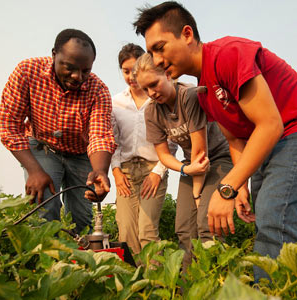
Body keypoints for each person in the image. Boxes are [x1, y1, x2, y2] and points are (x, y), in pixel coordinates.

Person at [133, 1, 297, 279]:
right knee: (272, 223)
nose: (157, 60)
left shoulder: (227, 55)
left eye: (160, 47)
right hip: (268, 145)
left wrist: (227, 187)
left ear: (186, 34)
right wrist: (241, 184)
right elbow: (235, 139)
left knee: (273, 223)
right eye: (151, 52)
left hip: (289, 134)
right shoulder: (205, 91)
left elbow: (270, 125)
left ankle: (270, 294)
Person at [0, 29, 116, 233]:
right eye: (69, 68)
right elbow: (9, 125)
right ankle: (48, 261)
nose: (77, 76)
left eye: (85, 70)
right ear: (54, 55)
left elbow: (100, 135)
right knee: (44, 204)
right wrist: (34, 171)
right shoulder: (27, 72)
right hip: (43, 147)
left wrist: (100, 171)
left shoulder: (98, 90)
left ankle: (80, 261)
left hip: (80, 154)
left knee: (82, 216)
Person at [133, 52, 233, 268]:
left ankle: (216, 282)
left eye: (154, 84)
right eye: (145, 89)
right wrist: (185, 169)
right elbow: (164, 155)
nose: (151, 93)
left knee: (207, 223)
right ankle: (189, 286)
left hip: (217, 159)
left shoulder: (189, 96)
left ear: (168, 75)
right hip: (191, 166)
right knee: (184, 228)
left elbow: (201, 153)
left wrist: (197, 193)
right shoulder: (152, 111)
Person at [111, 43, 172, 255]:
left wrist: (158, 173)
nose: (131, 76)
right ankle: (135, 284)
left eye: (134, 70)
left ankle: (156, 284)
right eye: (126, 72)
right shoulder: (116, 102)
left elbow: (170, 140)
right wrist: (116, 171)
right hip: (125, 172)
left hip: (152, 168)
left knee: (147, 232)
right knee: (126, 233)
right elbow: (113, 140)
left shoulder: (157, 97)